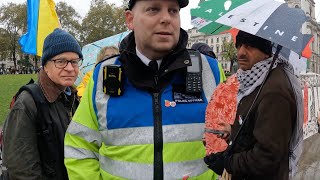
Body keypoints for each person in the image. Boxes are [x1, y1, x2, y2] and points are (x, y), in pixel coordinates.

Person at [64, 0, 225, 179]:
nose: (166, 18)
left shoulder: (211, 71)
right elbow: (79, 148)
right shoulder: (103, 76)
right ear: (130, 19)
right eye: (153, 9)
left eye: (173, 11)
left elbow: (234, 143)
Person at [204, 31, 303, 180]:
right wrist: (233, 131)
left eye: (250, 46)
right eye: (239, 46)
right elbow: (259, 128)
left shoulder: (274, 91)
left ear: (265, 52)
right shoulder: (256, 81)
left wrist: (229, 163)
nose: (241, 53)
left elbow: (267, 156)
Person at [2, 28, 82, 179]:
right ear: (45, 65)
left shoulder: (73, 98)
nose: (70, 68)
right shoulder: (27, 103)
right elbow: (21, 170)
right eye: (61, 61)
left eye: (74, 61)